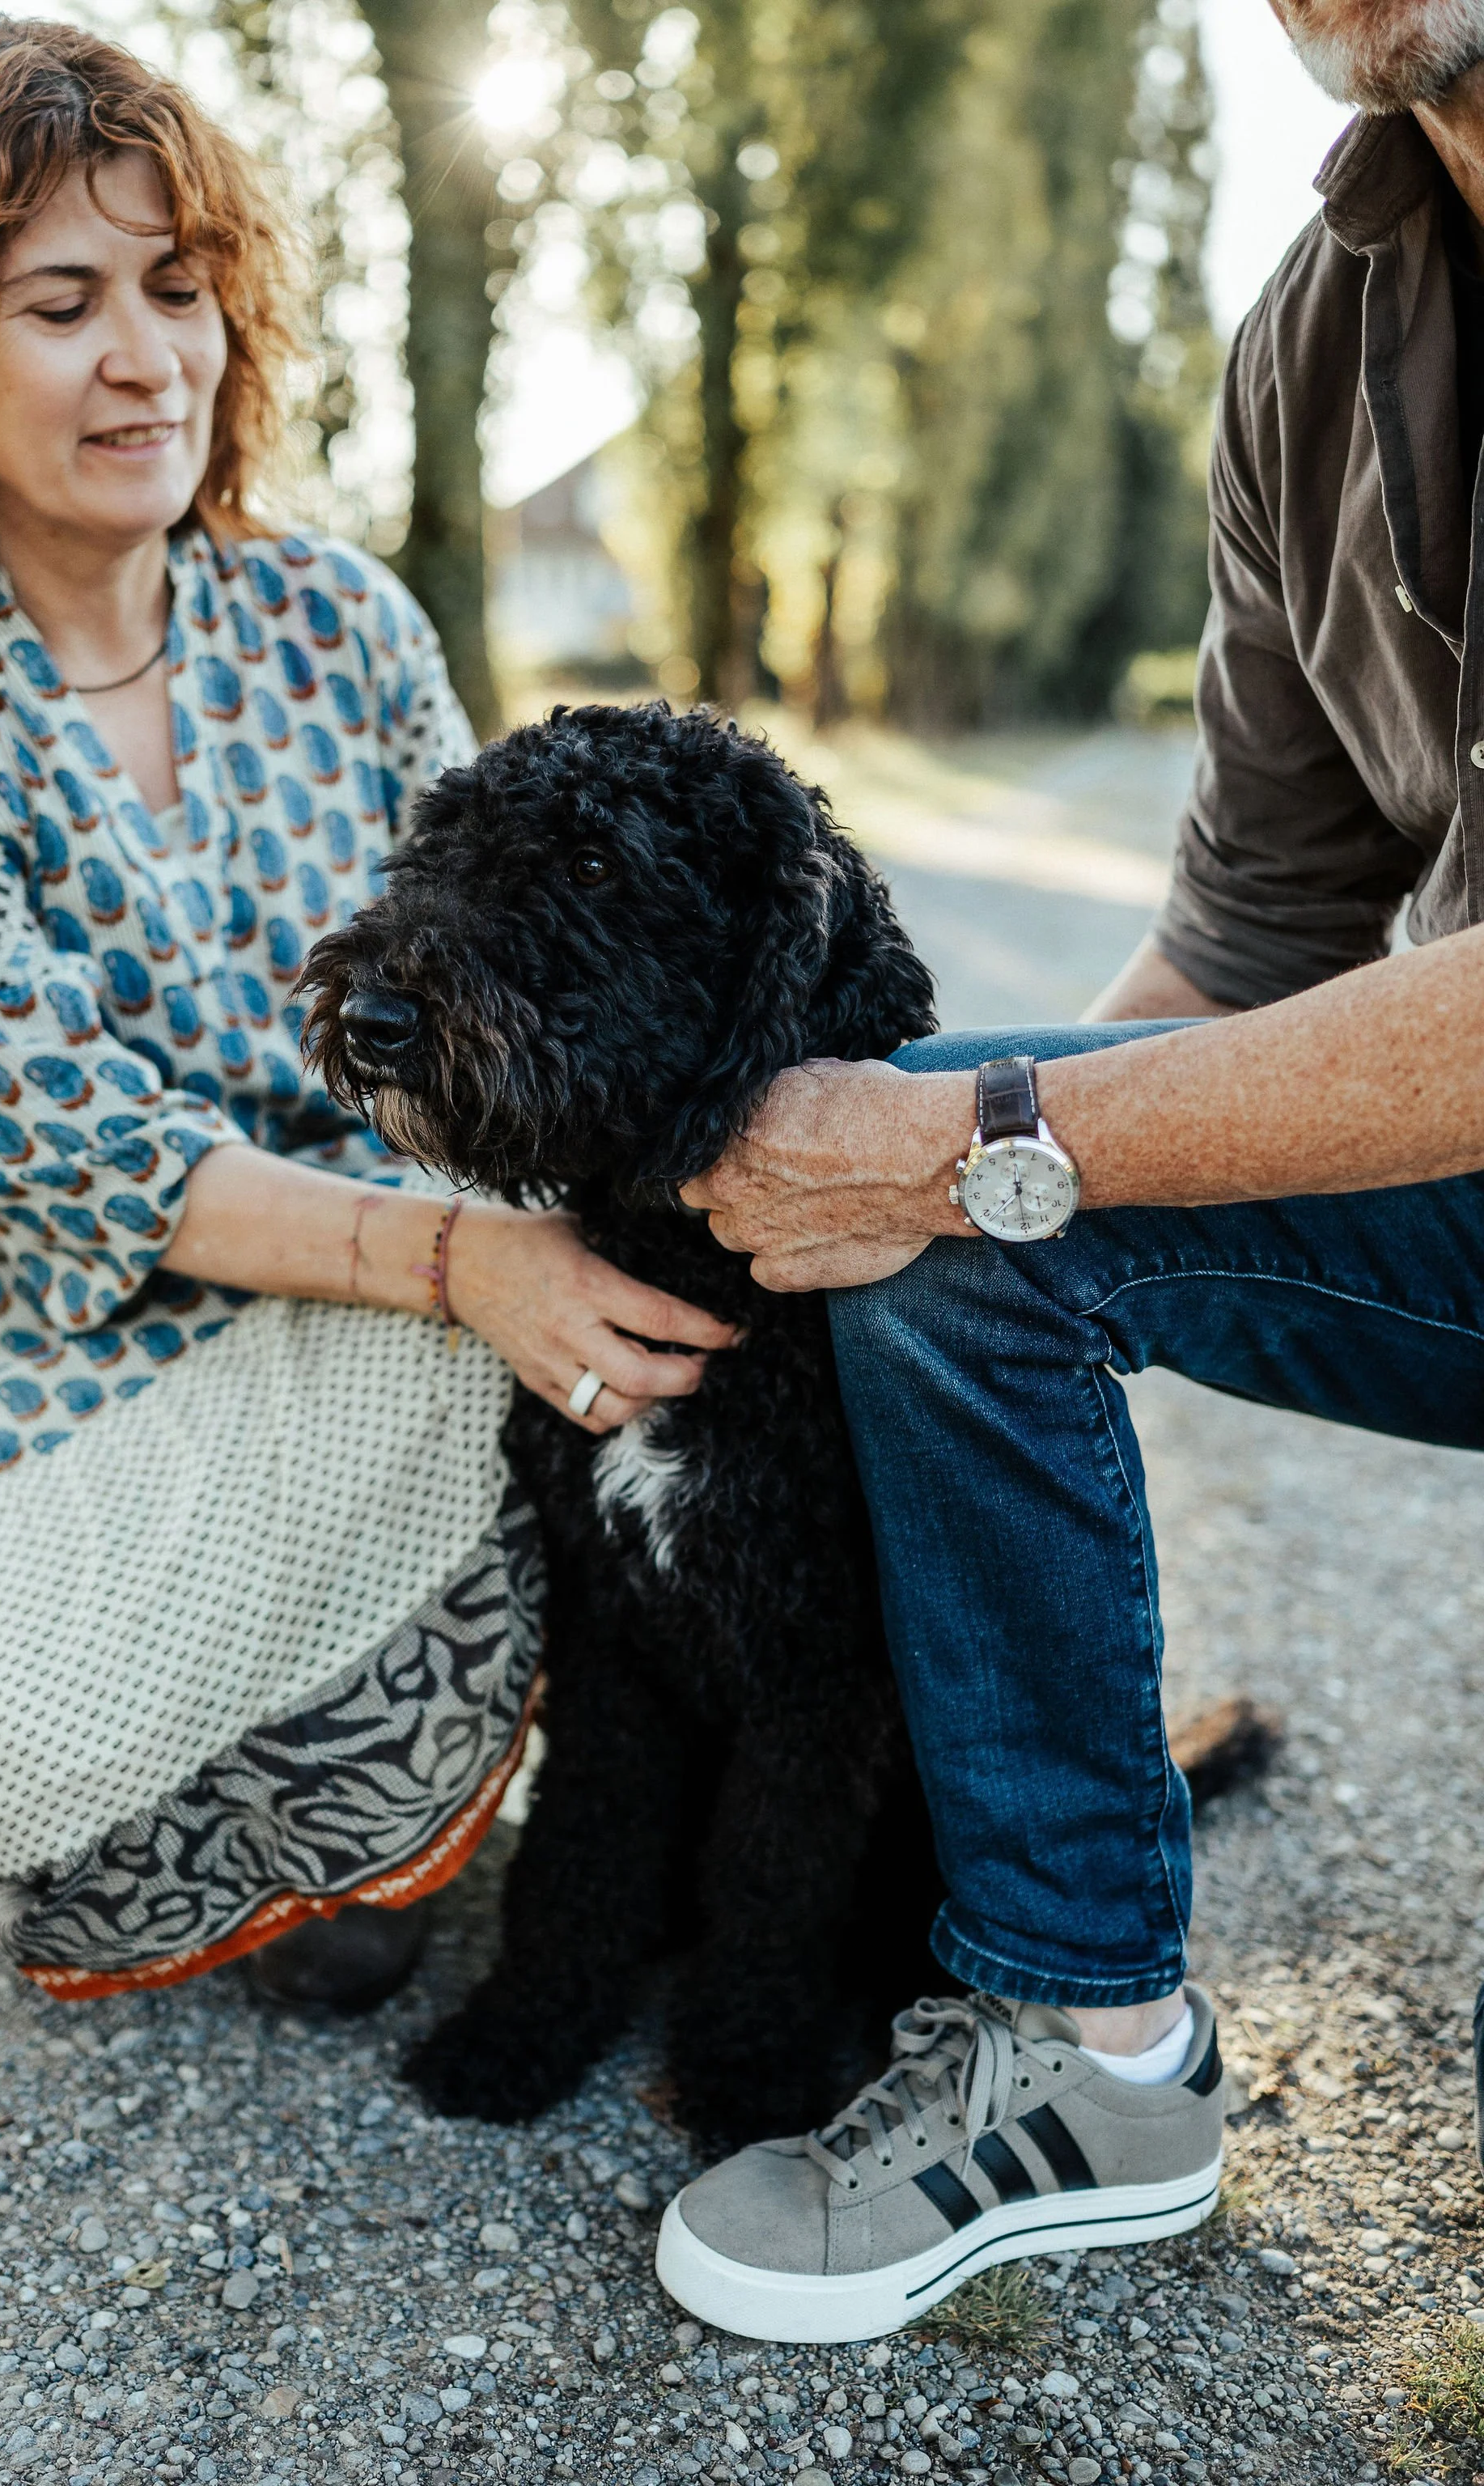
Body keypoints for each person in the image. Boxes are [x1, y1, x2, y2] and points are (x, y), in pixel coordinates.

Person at [655, 0, 1484, 2344]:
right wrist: (919, 1241)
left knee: (967, 1151)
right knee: (951, 1191)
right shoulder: (1320, 332)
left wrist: (980, 1142)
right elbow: (1239, 945)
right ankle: (1086, 2043)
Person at [0, 19, 733, 2013]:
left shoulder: (340, 620)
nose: (147, 358)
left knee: (608, 1304)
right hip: (6, 1352)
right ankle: (206, 1766)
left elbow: (515, 1001)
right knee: (57, 1748)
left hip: (367, 1293)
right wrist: (453, 1255)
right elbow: (58, 1139)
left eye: (181, 289)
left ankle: (634, 1737)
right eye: (61, 303)